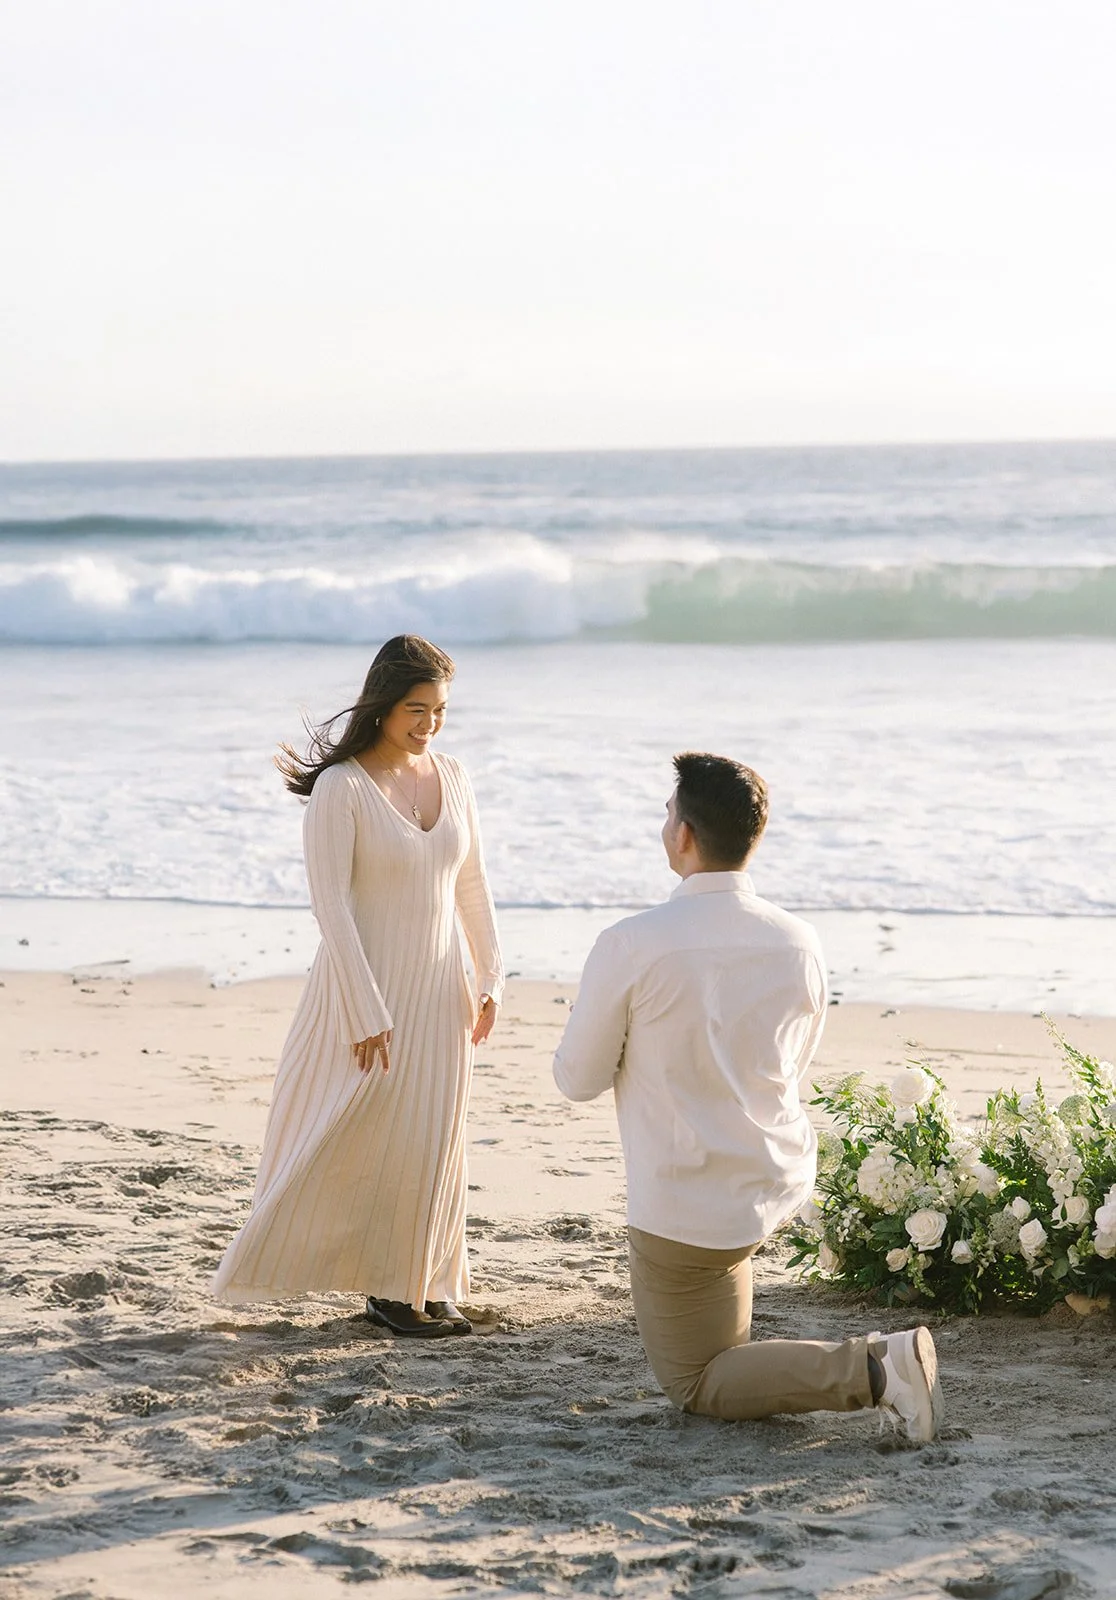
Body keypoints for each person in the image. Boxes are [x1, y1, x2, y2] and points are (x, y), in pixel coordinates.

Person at [552, 752, 943, 1440]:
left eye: (667, 814)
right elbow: (793, 1060)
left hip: (685, 1206)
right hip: (773, 1178)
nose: (664, 826)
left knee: (697, 1381)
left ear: (684, 834)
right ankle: (867, 1365)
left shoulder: (631, 943)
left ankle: (878, 1368)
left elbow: (576, 1080)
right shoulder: (798, 940)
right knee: (723, 1328)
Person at [213, 635, 503, 1338]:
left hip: (441, 988)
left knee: (434, 1139)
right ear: (382, 705)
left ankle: (426, 1282)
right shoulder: (341, 788)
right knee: (357, 1131)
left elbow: (471, 883)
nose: (430, 723)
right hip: (363, 990)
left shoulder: (453, 774)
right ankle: (386, 1291)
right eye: (416, 709)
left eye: (439, 710)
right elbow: (332, 908)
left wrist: (490, 974)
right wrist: (365, 1007)